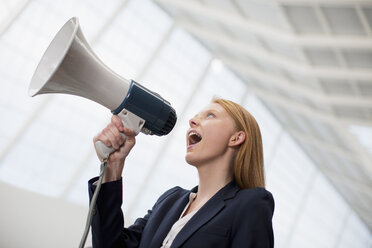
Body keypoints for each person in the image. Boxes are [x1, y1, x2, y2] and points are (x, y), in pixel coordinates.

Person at [88, 98, 274, 248]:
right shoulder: (169, 201)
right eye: (196, 116)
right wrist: (113, 166)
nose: (192, 120)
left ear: (236, 137)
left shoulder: (251, 204)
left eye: (210, 115)